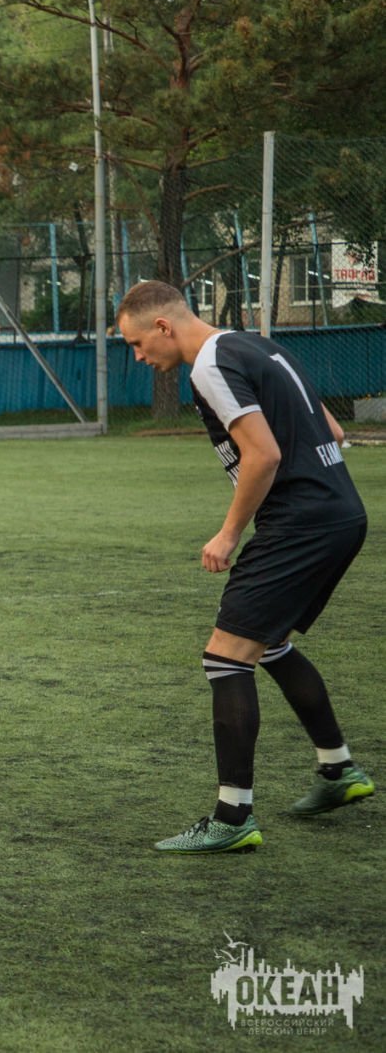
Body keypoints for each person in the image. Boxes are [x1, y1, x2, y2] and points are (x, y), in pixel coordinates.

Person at [117, 280, 372, 854]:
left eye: (136, 343)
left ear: (163, 326)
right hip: (341, 512)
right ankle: (338, 770)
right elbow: (332, 431)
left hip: (300, 523)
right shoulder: (260, 345)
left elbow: (265, 454)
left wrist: (229, 533)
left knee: (225, 657)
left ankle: (232, 817)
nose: (138, 357)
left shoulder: (209, 365)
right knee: (269, 644)